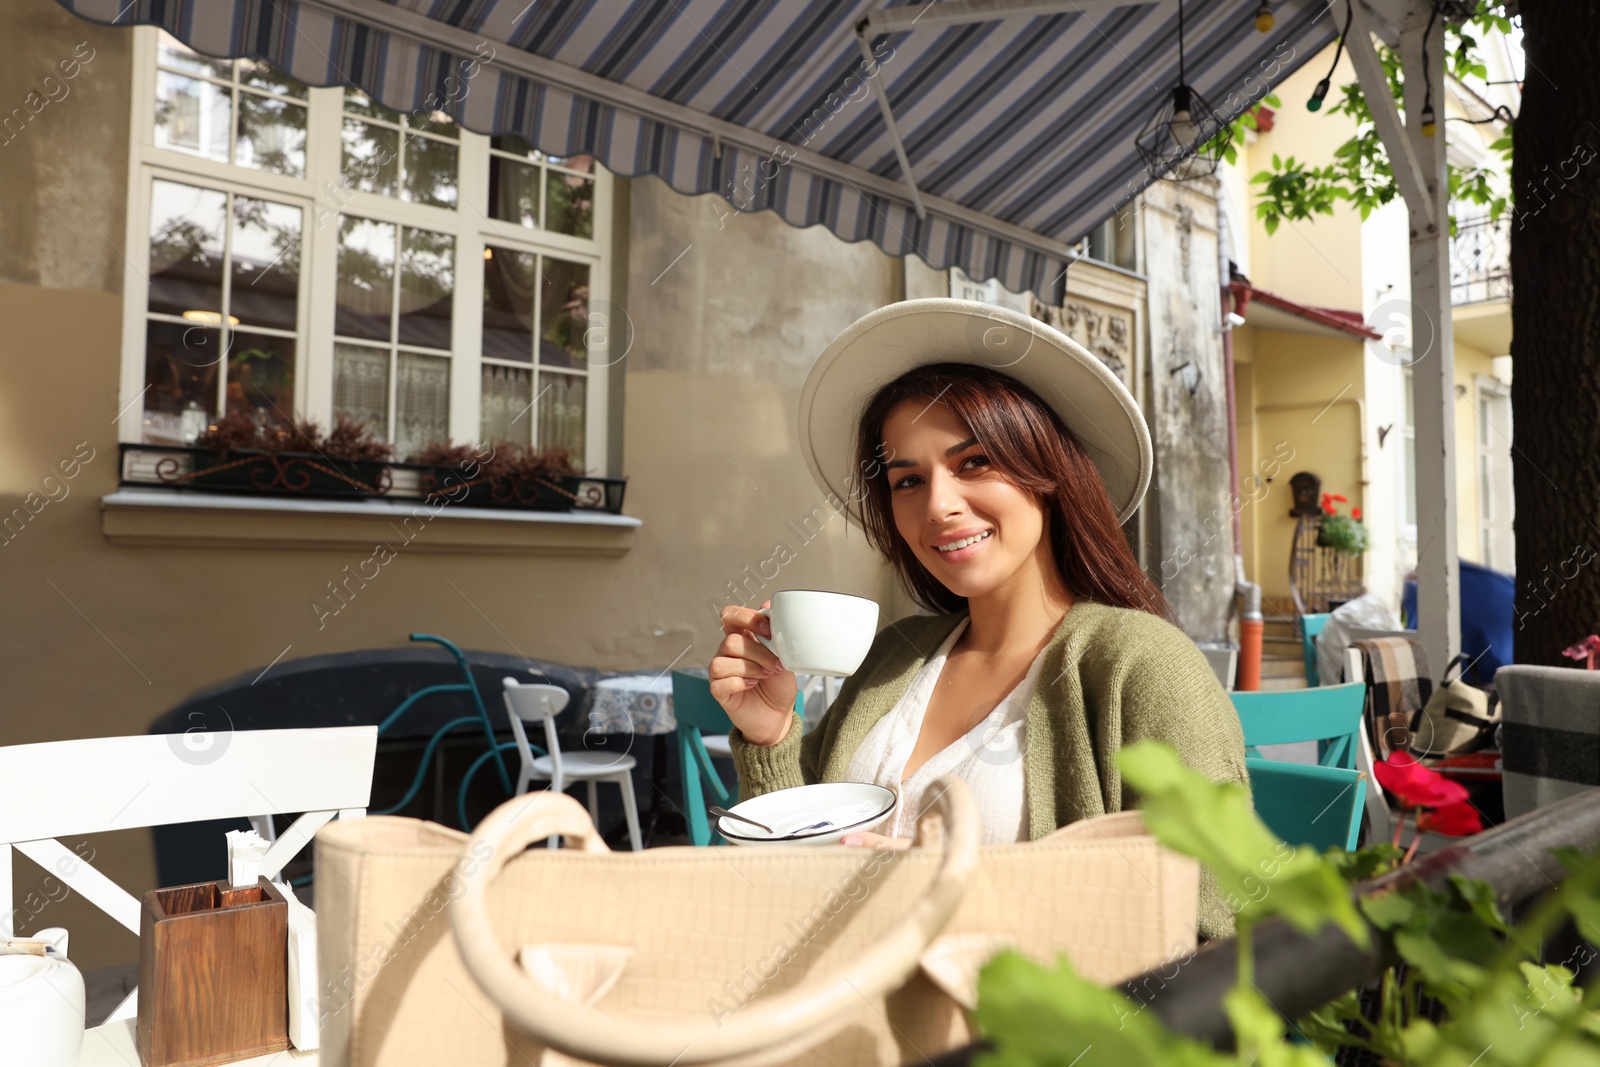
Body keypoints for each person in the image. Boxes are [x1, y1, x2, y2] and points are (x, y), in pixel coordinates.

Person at [709, 299, 1248, 939]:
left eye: (974, 463)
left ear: (1048, 476)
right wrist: (770, 735)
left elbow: (1211, 930)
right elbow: (789, 872)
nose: (938, 506)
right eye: (907, 481)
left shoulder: (1142, 666)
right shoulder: (897, 655)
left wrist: (955, 895)